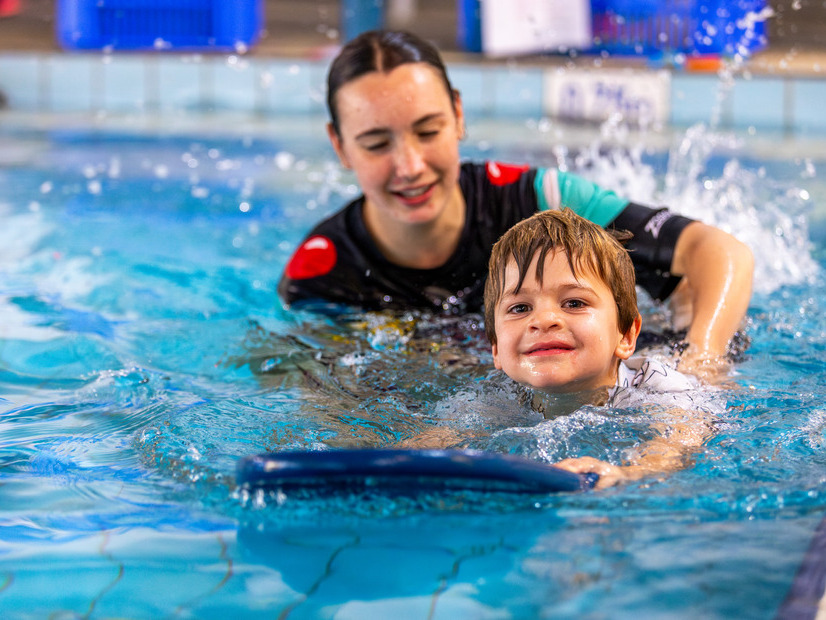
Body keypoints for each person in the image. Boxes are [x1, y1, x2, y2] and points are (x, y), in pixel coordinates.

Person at [277, 29, 754, 377]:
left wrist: (702, 359)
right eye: (377, 144)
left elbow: (720, 252)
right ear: (339, 147)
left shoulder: (540, 200)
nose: (410, 166)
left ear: (459, 116)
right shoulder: (323, 277)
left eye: (428, 132)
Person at [484, 208, 717, 488]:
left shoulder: (657, 390)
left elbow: (680, 439)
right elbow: (440, 437)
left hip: (689, 369)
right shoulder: (496, 396)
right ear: (495, 348)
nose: (543, 320)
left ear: (626, 336)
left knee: (701, 354)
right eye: (520, 308)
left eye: (574, 303)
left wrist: (628, 472)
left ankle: (682, 294)